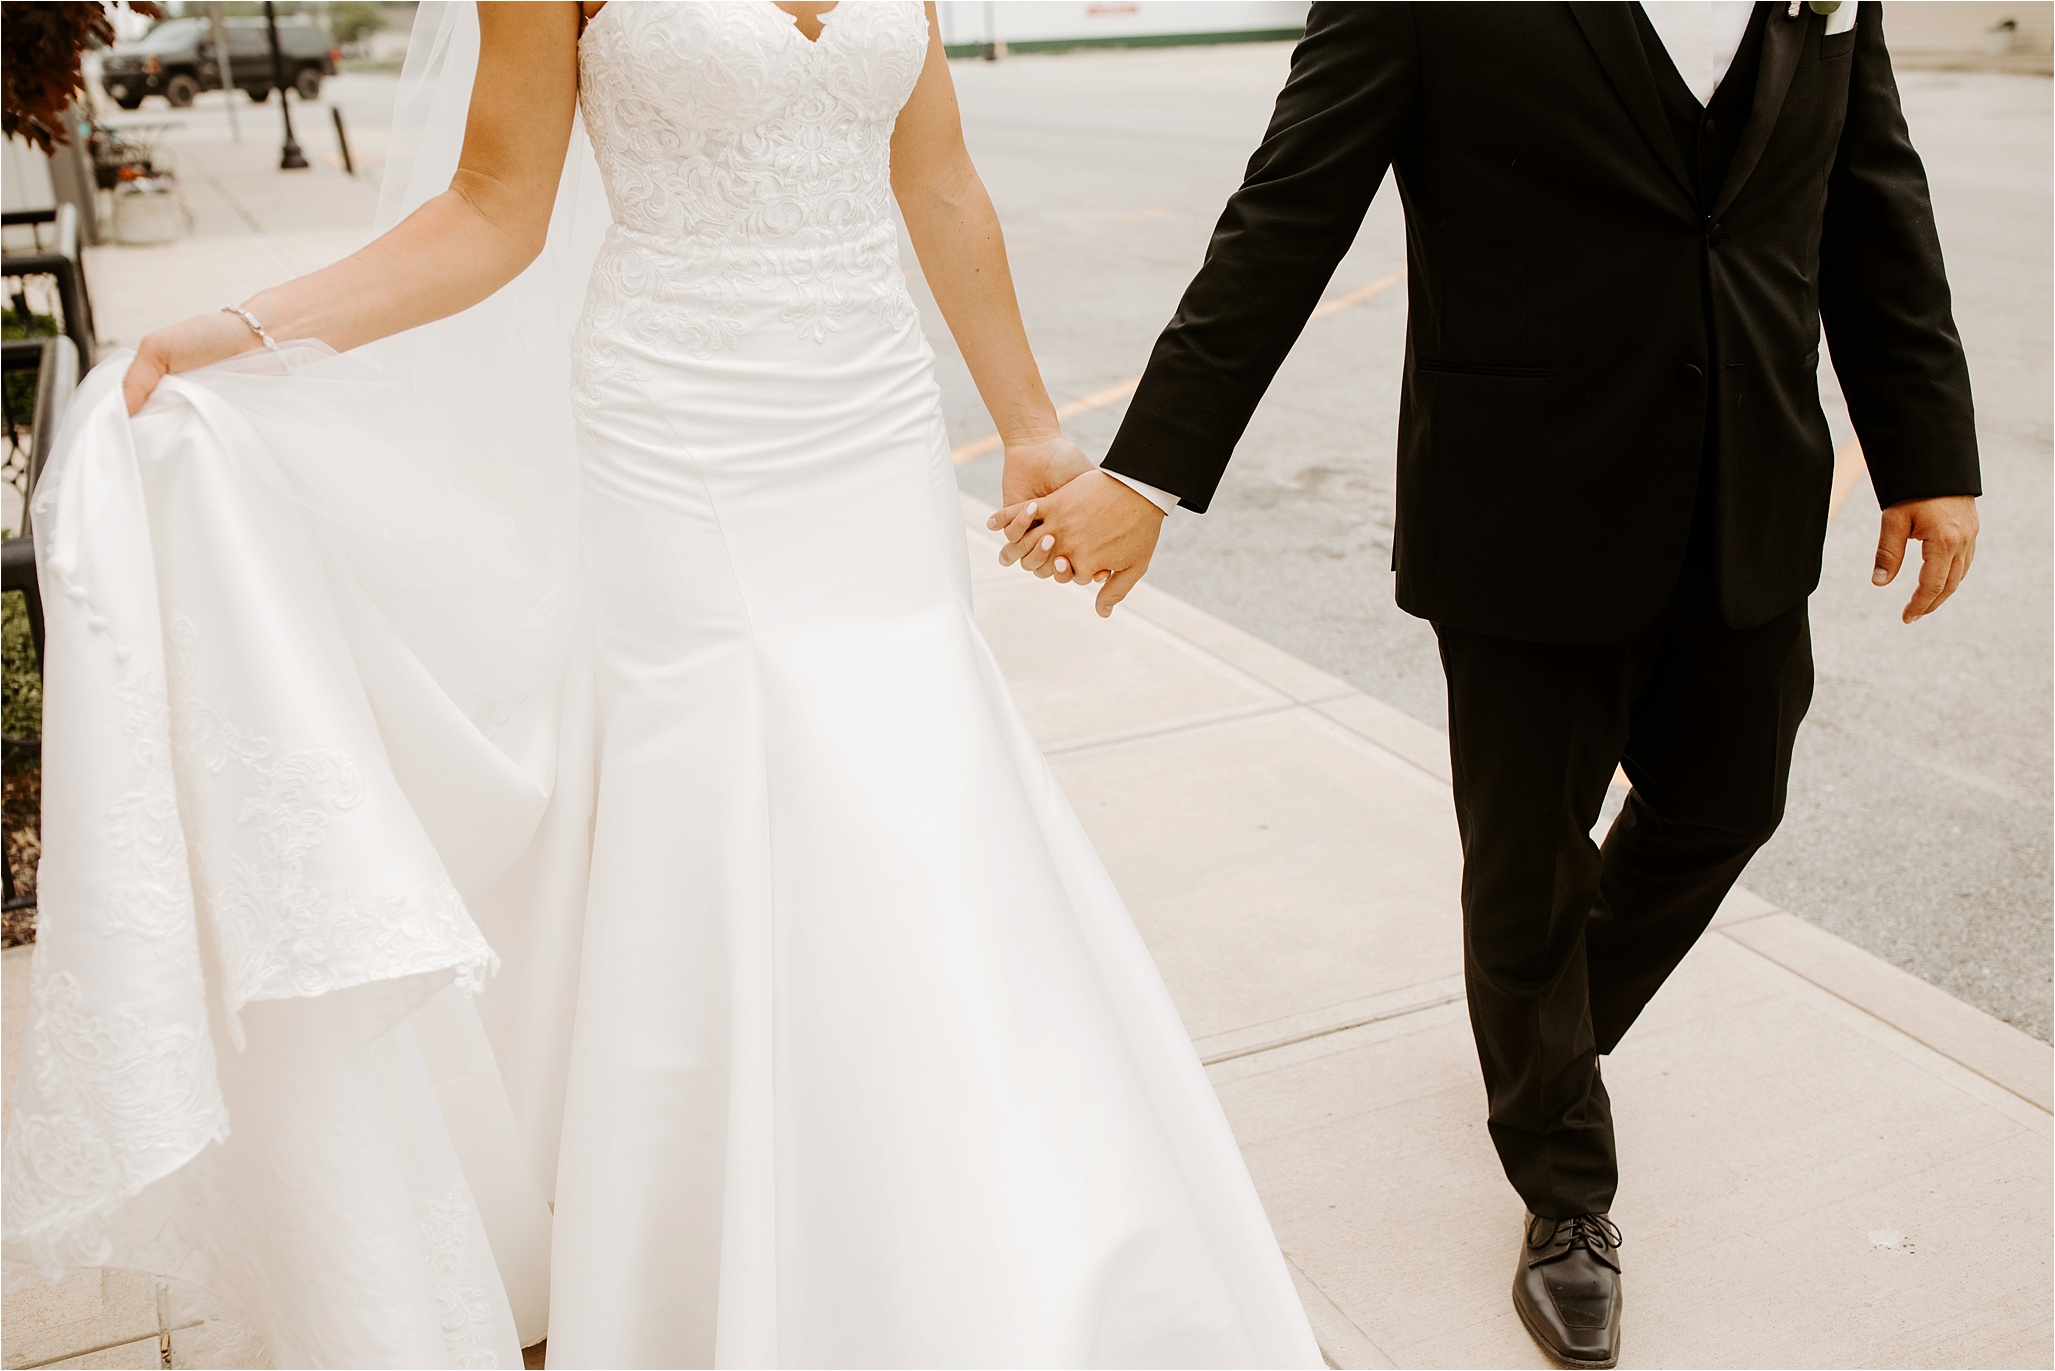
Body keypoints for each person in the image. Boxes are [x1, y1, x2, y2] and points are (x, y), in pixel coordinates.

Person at [5, 3, 1324, 1366]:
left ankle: (990, 1212)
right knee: (744, 808)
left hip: (867, 426)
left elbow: (937, 176)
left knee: (925, 803)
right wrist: (238, 329)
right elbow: (491, 213)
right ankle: (727, 1249)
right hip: (679, 435)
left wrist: (1035, 428)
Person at [996, 3, 1981, 1367]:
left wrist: (1928, 449)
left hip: (1750, 475)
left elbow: (1873, 193)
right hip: (1526, 491)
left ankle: (1536, 1042)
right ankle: (1566, 1193)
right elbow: (1291, 208)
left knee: (1729, 802)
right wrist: (1152, 474)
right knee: (1525, 861)